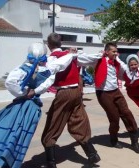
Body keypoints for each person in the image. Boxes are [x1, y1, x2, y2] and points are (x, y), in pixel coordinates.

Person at [0, 42, 77, 168]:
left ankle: (5, 158)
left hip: (20, 105)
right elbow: (59, 67)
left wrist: (22, 92)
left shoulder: (22, 68)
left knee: (11, 130)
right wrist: (71, 54)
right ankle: (10, 161)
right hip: (32, 108)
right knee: (22, 135)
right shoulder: (48, 69)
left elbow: (10, 82)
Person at [41, 33, 100, 168]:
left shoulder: (52, 58)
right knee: (78, 120)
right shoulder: (72, 56)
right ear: (60, 43)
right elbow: (90, 59)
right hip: (76, 92)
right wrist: (100, 55)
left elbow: (48, 73)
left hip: (64, 92)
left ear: (49, 45)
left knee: (54, 121)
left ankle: (51, 162)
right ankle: (92, 154)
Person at [77, 42, 139, 154]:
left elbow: (123, 73)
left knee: (127, 113)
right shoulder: (98, 60)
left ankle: (134, 142)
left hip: (116, 91)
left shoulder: (116, 63)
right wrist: (99, 55)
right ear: (107, 51)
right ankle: (113, 140)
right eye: (114, 51)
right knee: (114, 117)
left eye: (116, 51)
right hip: (103, 93)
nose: (116, 53)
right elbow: (81, 59)